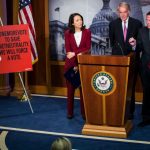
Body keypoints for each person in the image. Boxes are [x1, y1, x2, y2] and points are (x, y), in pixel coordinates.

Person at [109, 2, 142, 119]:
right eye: (120, 12)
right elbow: (112, 42)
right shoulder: (112, 24)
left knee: (130, 87)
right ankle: (118, 109)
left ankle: (130, 112)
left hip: (132, 60)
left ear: (129, 11)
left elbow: (140, 44)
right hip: (117, 61)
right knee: (117, 86)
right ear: (118, 12)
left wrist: (134, 45)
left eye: (125, 12)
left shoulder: (137, 24)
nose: (122, 15)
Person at [64, 13, 91, 119]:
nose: (80, 22)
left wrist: (75, 53)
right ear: (72, 23)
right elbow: (67, 50)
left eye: (81, 19)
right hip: (70, 66)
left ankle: (84, 113)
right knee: (70, 91)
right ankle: (70, 112)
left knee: (83, 91)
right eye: (77, 20)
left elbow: (87, 48)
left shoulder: (87, 32)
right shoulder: (67, 33)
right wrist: (75, 63)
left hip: (83, 66)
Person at [129, 11, 150, 127]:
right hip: (145, 67)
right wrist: (134, 44)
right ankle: (146, 118)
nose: (148, 22)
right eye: (147, 20)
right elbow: (139, 48)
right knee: (147, 92)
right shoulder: (142, 31)